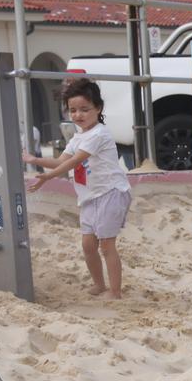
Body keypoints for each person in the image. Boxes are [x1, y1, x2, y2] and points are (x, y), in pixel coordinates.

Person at [24, 78, 131, 299]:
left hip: (110, 192)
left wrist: (49, 178)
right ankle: (99, 285)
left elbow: (73, 162)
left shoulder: (99, 134)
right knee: (87, 245)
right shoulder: (78, 136)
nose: (78, 115)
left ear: (98, 108)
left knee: (106, 245)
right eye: (72, 110)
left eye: (84, 109)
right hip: (90, 196)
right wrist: (34, 158)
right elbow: (61, 160)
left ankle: (115, 291)